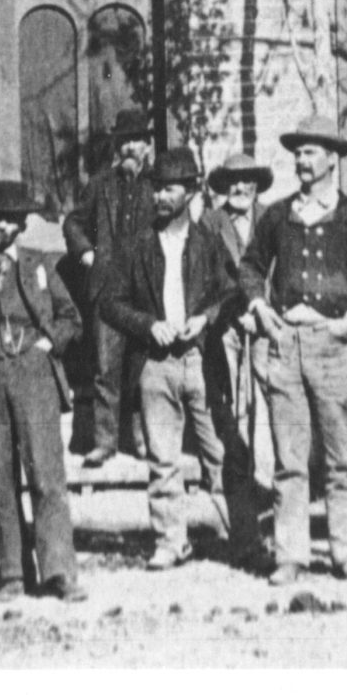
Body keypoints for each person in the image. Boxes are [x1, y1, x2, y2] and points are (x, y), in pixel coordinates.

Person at [238, 113, 347, 585]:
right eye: (298, 152)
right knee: (290, 460)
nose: (303, 161)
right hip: (285, 345)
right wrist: (260, 307)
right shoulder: (277, 215)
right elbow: (249, 267)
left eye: (311, 152)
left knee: (343, 458)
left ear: (332, 159)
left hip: (333, 348)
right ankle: (292, 556)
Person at [0, 181, 88, 603]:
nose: (2, 226)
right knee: (2, 477)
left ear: (22, 225)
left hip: (34, 372)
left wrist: (48, 345)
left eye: (10, 220)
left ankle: (59, 570)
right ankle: (12, 572)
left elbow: (70, 318)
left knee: (46, 474)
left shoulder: (37, 265)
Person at [102, 147, 244, 570]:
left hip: (202, 361)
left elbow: (232, 293)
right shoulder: (137, 246)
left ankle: (241, 535)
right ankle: (170, 540)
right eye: (156, 188)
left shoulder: (209, 242)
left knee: (220, 451)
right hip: (155, 363)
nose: (160, 196)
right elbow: (109, 302)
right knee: (163, 459)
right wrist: (147, 325)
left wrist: (205, 318)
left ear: (191, 191)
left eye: (169, 189)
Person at [60, 106, 155, 466]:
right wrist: (85, 253)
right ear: (118, 146)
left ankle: (143, 440)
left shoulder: (157, 184)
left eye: (138, 141)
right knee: (105, 368)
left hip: (146, 291)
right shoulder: (100, 185)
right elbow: (73, 222)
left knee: (142, 367)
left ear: (148, 145)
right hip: (108, 291)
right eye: (125, 142)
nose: (131, 148)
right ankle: (105, 441)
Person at [199, 152, 275, 564]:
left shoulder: (272, 218)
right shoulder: (210, 224)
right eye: (232, 181)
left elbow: (275, 272)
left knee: (267, 415)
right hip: (226, 326)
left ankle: (273, 528)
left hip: (265, 324)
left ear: (258, 185)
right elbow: (208, 277)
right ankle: (244, 535)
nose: (240, 188)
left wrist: (260, 311)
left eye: (248, 181)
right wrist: (234, 312)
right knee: (232, 425)